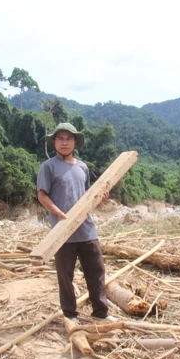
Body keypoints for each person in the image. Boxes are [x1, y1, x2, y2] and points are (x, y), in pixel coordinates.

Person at [36, 122, 116, 324]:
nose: (64, 142)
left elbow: (88, 198)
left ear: (75, 142)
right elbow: (42, 195)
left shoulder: (83, 167)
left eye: (68, 138)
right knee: (65, 276)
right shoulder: (48, 167)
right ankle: (70, 315)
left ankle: (101, 312)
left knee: (96, 271)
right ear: (54, 142)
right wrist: (59, 213)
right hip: (62, 232)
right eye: (60, 138)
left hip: (87, 230)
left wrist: (101, 198)